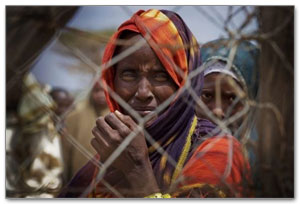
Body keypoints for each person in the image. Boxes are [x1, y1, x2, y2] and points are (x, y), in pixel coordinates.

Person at [58, 9, 250, 198]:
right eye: (129, 74)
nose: (143, 92)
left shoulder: (218, 152)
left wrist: (137, 170)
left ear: (185, 82)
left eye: (160, 76)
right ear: (112, 80)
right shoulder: (107, 157)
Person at [63, 82, 109, 182]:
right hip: (79, 175)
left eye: (105, 91)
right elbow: (65, 150)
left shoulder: (119, 115)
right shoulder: (75, 116)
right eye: (97, 91)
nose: (101, 95)